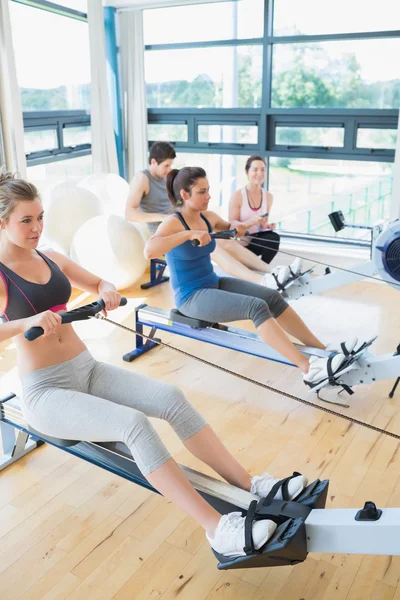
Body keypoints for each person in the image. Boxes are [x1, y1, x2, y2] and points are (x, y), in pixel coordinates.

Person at [0, 171, 311, 558]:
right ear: (3, 223)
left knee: (172, 397)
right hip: (47, 391)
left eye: (41, 216)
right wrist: (26, 322)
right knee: (132, 424)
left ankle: (250, 484)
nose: (37, 227)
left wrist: (107, 290)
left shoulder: (51, 257)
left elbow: (99, 284)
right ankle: (217, 528)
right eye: (26, 220)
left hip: (87, 369)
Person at [144, 166, 363, 390]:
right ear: (184, 195)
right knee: (256, 307)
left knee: (271, 297)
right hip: (191, 297)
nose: (208, 196)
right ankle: (308, 370)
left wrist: (239, 227)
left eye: (208, 190)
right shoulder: (173, 223)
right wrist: (188, 234)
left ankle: (324, 351)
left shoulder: (207, 217)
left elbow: (230, 227)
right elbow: (149, 251)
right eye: (202, 192)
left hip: (213, 283)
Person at [229, 154, 302, 280]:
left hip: (255, 241)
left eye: (263, 169)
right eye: (255, 169)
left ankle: (264, 272)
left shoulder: (268, 196)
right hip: (241, 243)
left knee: (273, 238)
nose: (259, 173)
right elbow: (232, 226)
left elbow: (262, 225)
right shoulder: (238, 195)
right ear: (247, 172)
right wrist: (250, 222)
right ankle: (267, 273)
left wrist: (267, 226)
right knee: (268, 239)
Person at [125, 141, 176, 236]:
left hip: (174, 222)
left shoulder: (164, 176)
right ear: (153, 162)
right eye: (166, 165)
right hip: (160, 231)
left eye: (170, 165)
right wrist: (164, 218)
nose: (169, 169)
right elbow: (129, 214)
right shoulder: (142, 179)